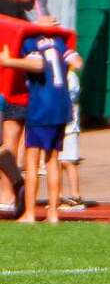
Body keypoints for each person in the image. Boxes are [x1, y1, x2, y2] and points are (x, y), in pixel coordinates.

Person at [0, 33, 81, 224]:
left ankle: (29, 213)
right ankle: (53, 212)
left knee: (32, 161)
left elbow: (37, 65)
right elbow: (78, 62)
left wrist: (9, 61)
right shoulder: (60, 42)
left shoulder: (30, 42)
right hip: (62, 106)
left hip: (41, 106)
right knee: (53, 160)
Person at [0, 0, 31, 212]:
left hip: (12, 83)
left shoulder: (14, 7)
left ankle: (9, 194)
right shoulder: (14, 8)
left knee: (9, 141)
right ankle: (16, 184)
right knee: (6, 144)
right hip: (11, 82)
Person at [58, 66, 85, 211]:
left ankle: (76, 196)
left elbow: (71, 96)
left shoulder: (70, 76)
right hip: (55, 125)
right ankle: (58, 195)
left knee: (69, 161)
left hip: (69, 127)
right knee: (56, 162)